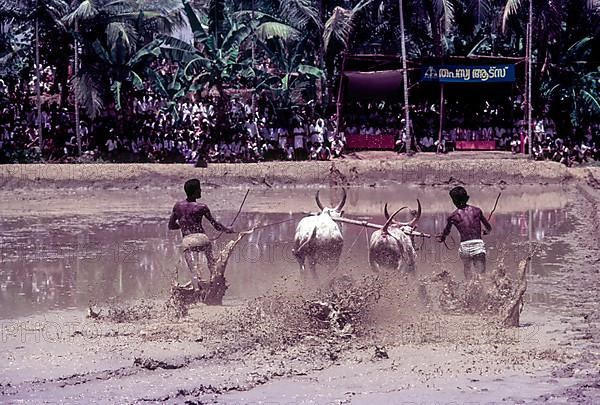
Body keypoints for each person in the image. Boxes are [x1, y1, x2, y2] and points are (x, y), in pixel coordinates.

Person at [168, 179, 234, 289]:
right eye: (199, 189)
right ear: (194, 191)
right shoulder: (202, 207)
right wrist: (228, 229)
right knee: (211, 264)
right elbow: (216, 226)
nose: (201, 191)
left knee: (194, 272)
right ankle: (214, 285)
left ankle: (196, 289)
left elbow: (171, 226)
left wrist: (183, 226)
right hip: (202, 238)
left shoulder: (177, 206)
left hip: (188, 241)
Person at [436, 186, 492, 280]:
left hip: (465, 247)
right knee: (481, 275)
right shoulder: (477, 211)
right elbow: (489, 228)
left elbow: (446, 232)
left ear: (454, 201)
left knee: (468, 271)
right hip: (478, 245)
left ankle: (469, 290)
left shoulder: (452, 216)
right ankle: (481, 292)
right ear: (466, 198)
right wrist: (485, 232)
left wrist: (442, 238)